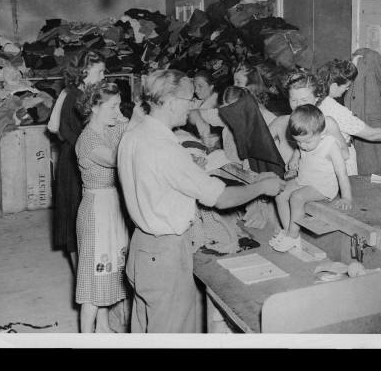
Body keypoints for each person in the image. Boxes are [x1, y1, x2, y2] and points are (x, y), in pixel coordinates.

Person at [117, 69, 286, 333]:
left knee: (144, 328)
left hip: (141, 247)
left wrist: (190, 171)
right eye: (189, 100)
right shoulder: (167, 150)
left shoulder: (134, 135)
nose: (193, 105)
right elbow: (220, 199)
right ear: (171, 102)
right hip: (166, 254)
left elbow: (158, 179)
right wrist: (263, 186)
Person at [74, 81, 129, 333]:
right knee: (92, 275)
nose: (117, 111)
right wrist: (130, 122)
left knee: (110, 269)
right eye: (113, 106)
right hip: (96, 209)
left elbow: (129, 133)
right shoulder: (87, 139)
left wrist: (125, 120)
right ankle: (85, 335)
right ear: (95, 107)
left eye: (119, 105)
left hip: (112, 205)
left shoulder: (112, 128)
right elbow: (117, 159)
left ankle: (103, 327)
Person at [316, 59, 381, 175]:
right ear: (334, 85)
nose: (347, 89)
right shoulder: (338, 111)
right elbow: (372, 134)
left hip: (321, 158)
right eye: (346, 86)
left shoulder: (315, 100)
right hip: (341, 160)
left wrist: (353, 65)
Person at [270, 104, 353, 252]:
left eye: (307, 142)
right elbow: (299, 150)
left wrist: (346, 197)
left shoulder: (331, 145)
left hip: (323, 187)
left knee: (297, 197)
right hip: (304, 180)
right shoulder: (304, 142)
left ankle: (293, 235)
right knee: (280, 195)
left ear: (321, 133)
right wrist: (294, 159)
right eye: (298, 142)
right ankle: (289, 232)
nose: (303, 146)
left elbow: (342, 174)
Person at [52, 50, 106, 275]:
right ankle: (82, 278)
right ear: (84, 72)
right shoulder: (76, 97)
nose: (104, 76)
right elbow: (73, 132)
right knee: (78, 219)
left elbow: (59, 129)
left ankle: (82, 276)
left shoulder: (77, 93)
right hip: (76, 163)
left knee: (78, 220)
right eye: (100, 71)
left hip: (74, 158)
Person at [269, 72, 349, 169]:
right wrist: (294, 158)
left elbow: (345, 153)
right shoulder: (291, 121)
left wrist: (326, 159)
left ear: (317, 97)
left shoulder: (328, 123)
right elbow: (302, 145)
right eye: (293, 100)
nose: (298, 105)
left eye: (304, 100)